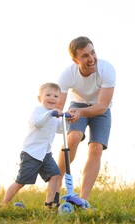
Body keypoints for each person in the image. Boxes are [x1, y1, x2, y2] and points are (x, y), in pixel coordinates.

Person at [48, 36, 116, 201]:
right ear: (75, 60)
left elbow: (102, 106)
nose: (91, 59)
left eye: (93, 53)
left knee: (96, 148)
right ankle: (54, 188)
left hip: (101, 109)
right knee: (73, 137)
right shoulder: (67, 75)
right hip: (77, 105)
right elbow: (59, 106)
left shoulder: (106, 70)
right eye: (85, 56)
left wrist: (83, 113)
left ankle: (83, 200)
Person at [0, 82, 64, 208]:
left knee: (55, 175)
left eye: (56, 96)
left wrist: (68, 119)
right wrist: (51, 113)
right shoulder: (38, 111)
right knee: (21, 181)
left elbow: (61, 130)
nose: (52, 98)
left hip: (45, 153)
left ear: (59, 100)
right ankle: (4, 204)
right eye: (48, 95)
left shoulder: (56, 115)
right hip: (32, 153)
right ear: (40, 98)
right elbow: (38, 123)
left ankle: (49, 205)